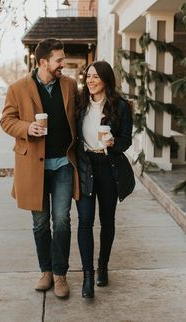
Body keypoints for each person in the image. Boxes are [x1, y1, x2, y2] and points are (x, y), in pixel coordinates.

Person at [0, 38, 79, 299]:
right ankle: (45, 271)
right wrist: (27, 128)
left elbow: (79, 117)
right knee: (41, 223)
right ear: (43, 62)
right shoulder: (18, 88)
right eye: (59, 60)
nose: (62, 64)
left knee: (63, 221)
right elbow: (7, 120)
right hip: (33, 166)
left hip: (63, 165)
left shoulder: (69, 85)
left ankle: (60, 275)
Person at [76, 60, 135, 298]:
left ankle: (103, 267)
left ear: (106, 80)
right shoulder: (79, 104)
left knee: (107, 220)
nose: (90, 80)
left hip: (109, 166)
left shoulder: (120, 106)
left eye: (95, 77)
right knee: (85, 221)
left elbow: (126, 140)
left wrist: (114, 144)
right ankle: (87, 276)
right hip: (86, 166)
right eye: (88, 76)